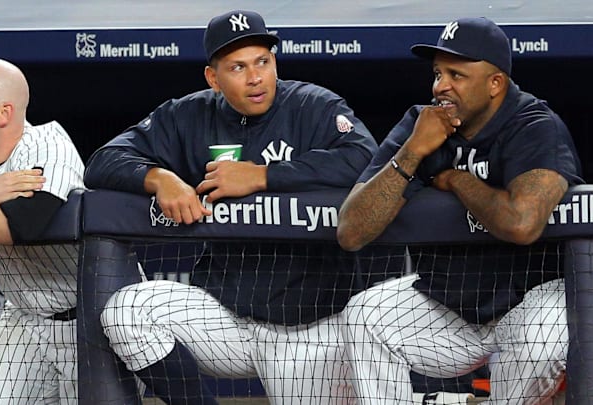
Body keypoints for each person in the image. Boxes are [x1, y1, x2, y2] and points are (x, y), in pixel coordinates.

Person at [83, 9, 378, 405]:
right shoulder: (188, 115)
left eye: (263, 62)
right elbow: (103, 161)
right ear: (213, 78)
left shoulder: (313, 106)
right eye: (237, 67)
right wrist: (158, 178)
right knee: (126, 311)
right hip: (224, 319)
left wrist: (262, 176)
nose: (255, 78)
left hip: (308, 328)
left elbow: (365, 158)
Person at [336, 17, 593, 404]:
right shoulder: (421, 124)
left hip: (548, 298)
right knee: (366, 315)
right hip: (458, 304)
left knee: (537, 340)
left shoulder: (533, 124)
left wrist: (457, 180)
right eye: (438, 73)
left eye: (456, 75)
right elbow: (351, 231)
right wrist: (412, 152)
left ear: (495, 84)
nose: (440, 86)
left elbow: (522, 223)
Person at [0, 59, 85, 404]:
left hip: (90, 315)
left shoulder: (46, 143)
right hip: (25, 315)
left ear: (4, 113)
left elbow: (24, 223)